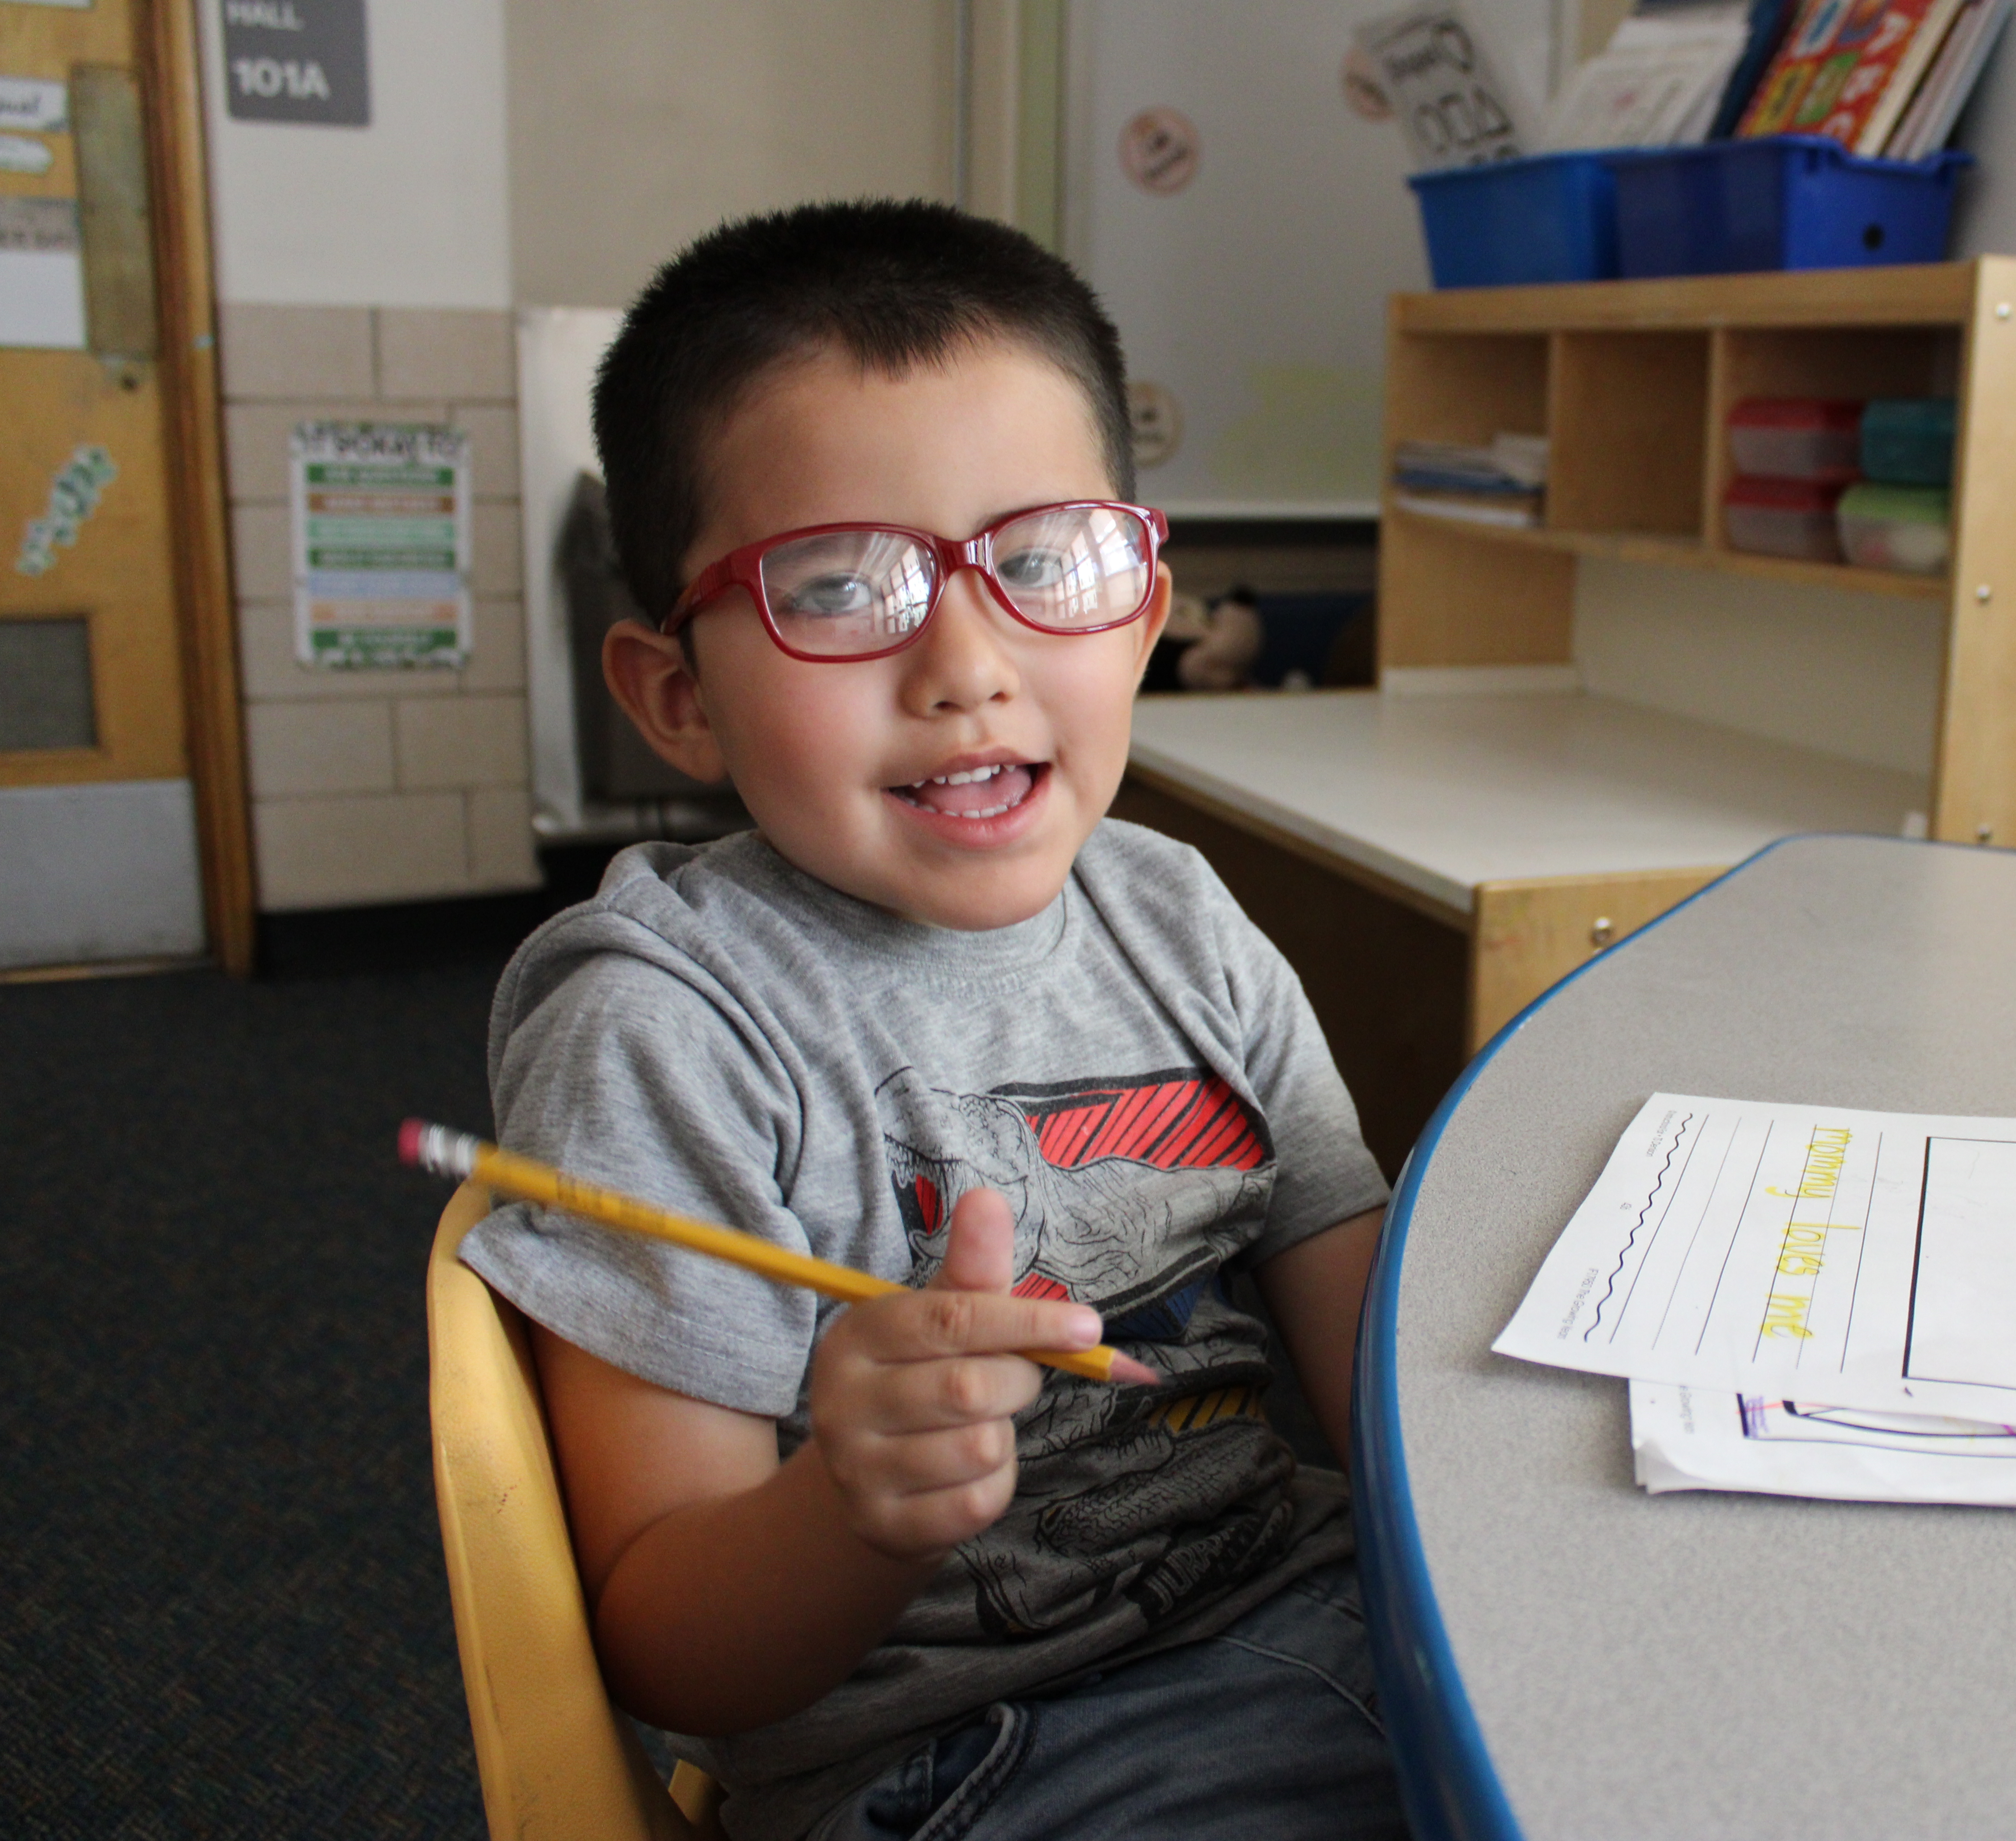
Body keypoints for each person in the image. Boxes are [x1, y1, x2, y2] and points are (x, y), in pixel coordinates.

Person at [460, 200, 1407, 1841]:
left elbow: (1377, 1368)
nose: (968, 664)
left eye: (1043, 563)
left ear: (1143, 600)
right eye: (839, 588)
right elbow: (673, 1647)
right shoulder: (666, 1032)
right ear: (678, 695)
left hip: (1317, 1625)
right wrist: (851, 1510)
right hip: (972, 1760)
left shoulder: (1178, 912)